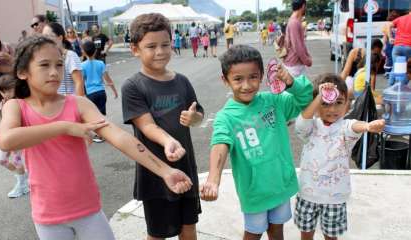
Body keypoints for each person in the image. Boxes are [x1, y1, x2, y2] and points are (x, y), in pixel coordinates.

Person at [0, 35, 193, 240]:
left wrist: (166, 171)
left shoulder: (78, 104)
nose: (54, 72)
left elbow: (120, 137)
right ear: (22, 72)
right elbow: (6, 139)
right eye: (44, 65)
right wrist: (65, 127)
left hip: (88, 210)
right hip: (47, 215)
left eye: (59, 64)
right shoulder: (16, 106)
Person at [200, 45, 313, 240]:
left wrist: (292, 83)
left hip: (280, 184)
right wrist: (213, 178)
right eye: (238, 79)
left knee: (277, 230)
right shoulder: (225, 117)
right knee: (253, 233)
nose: (247, 85)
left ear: (261, 76)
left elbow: (305, 100)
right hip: (254, 191)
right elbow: (220, 144)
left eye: (253, 77)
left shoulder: (274, 101)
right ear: (225, 80)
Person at [122, 13, 204, 240]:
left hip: (186, 167)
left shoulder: (182, 81)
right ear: (135, 49)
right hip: (155, 172)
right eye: (151, 46)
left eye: (165, 44)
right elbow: (146, 125)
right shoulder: (133, 86)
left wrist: (193, 118)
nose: (160, 51)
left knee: (189, 226)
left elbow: (198, 115)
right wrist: (169, 141)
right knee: (158, 233)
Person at [294, 74, 385, 240]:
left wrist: (368, 126)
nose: (332, 109)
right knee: (306, 234)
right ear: (316, 105)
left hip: (335, 197)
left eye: (338, 103)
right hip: (308, 194)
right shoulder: (311, 127)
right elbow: (300, 124)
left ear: (346, 104)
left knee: (331, 236)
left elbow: (355, 126)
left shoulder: (344, 127)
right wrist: (319, 96)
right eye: (325, 103)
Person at [0, 74, 29, 198]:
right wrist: (0, 134)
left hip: (17, 136)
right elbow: (2, 121)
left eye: (11, 89)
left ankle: (22, 185)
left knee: (17, 161)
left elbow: (22, 121)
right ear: (1, 92)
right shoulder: (1, 104)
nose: (9, 93)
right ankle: (23, 176)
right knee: (2, 161)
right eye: (5, 91)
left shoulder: (19, 102)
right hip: (6, 136)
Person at [81, 41, 118, 143]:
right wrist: (115, 91)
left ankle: (98, 135)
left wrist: (81, 95)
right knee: (101, 115)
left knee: (92, 115)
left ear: (83, 52)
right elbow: (108, 79)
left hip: (90, 94)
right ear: (95, 50)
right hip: (101, 92)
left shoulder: (82, 65)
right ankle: (105, 133)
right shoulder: (101, 63)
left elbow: (81, 81)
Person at [43, 22, 85, 96]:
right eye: (43, 37)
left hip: (69, 104)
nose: (45, 40)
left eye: (48, 36)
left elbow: (79, 82)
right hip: (54, 104)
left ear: (60, 38)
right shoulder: (47, 58)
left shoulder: (70, 56)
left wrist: (79, 105)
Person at [283, 0, 312, 77]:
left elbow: (300, 44)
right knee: (298, 88)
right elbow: (297, 46)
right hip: (294, 65)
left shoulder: (294, 21)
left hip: (295, 64)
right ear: (303, 6)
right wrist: (307, 60)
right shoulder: (294, 22)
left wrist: (307, 56)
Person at [0, 26, 14, 104]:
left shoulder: (6, 46)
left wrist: (8, 57)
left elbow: (17, 62)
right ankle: (3, 115)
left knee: (11, 99)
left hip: (7, 76)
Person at [382, 11, 400, 76]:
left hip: (389, 44)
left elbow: (385, 36)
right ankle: (392, 72)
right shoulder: (397, 24)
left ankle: (388, 72)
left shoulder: (386, 24)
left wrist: (383, 46)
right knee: (395, 57)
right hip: (396, 44)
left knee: (389, 58)